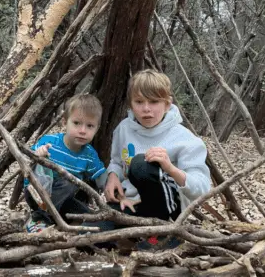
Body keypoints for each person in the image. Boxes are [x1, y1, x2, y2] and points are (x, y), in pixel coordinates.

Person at [104, 69, 210, 228]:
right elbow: (117, 162)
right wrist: (113, 176)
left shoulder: (185, 139)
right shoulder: (124, 129)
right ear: (131, 105)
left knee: (141, 164)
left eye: (154, 102)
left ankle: (164, 233)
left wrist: (170, 168)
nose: (146, 109)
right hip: (130, 202)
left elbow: (202, 188)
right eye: (139, 102)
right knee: (89, 237)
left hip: (169, 211)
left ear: (167, 104)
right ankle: (137, 234)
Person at [25, 94, 107, 234]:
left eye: (89, 126)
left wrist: (106, 190)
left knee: (89, 216)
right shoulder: (49, 142)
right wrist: (37, 155)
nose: (82, 130)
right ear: (64, 122)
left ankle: (66, 226)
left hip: (64, 201)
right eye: (76, 123)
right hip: (37, 195)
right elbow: (26, 164)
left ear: (96, 129)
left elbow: (100, 175)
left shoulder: (89, 154)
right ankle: (38, 219)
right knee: (69, 182)